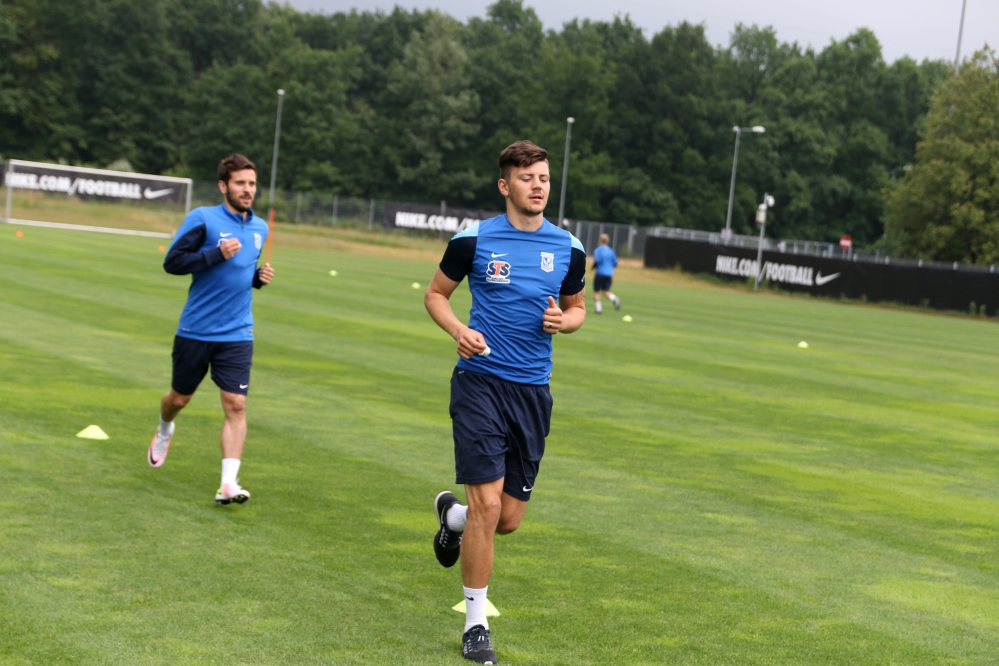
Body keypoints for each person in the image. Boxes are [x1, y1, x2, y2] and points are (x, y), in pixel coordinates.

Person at [424, 140, 587, 663]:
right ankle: (475, 625)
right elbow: (435, 295)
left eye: (542, 177)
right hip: (479, 383)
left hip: (532, 392)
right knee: (488, 505)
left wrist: (565, 321)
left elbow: (577, 307)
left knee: (506, 518)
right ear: (505, 185)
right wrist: (457, 330)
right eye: (526, 177)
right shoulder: (473, 240)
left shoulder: (569, 247)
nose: (537, 185)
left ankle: (451, 520)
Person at [147, 154, 274, 506]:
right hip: (196, 330)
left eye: (251, 183)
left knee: (236, 405)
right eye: (240, 183)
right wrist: (214, 254)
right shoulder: (203, 218)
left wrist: (256, 280)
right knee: (179, 399)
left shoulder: (260, 227)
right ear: (223, 186)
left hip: (237, 333)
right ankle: (164, 428)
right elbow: (172, 262)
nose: (248, 190)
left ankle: (228, 484)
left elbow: (241, 275)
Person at [591, 233, 620, 313]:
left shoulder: (598, 250)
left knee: (596, 291)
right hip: (609, 274)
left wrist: (592, 268)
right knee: (606, 291)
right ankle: (614, 298)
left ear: (600, 240)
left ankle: (598, 309)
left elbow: (597, 261)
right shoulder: (611, 251)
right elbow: (615, 263)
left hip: (600, 273)